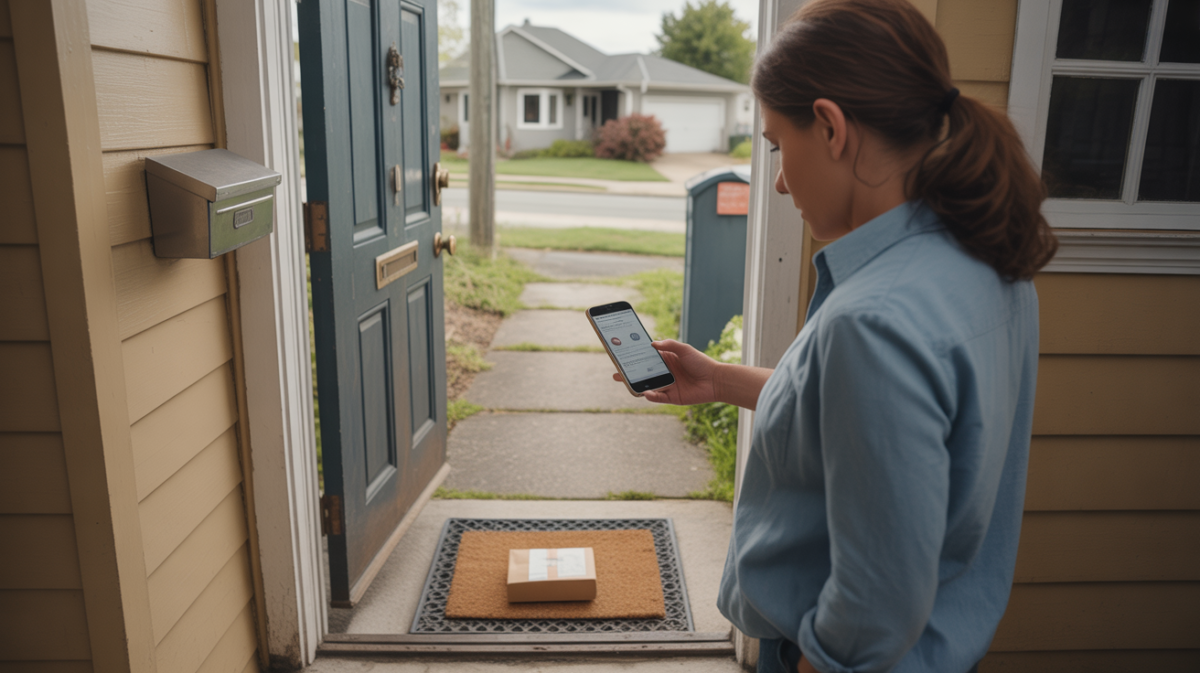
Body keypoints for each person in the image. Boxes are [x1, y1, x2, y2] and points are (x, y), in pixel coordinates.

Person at [613, 0, 1057, 670]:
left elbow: (875, 602)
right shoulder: (990, 260)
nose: (783, 181)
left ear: (830, 127)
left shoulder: (873, 321)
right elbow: (879, 426)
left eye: (776, 147)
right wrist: (720, 380)